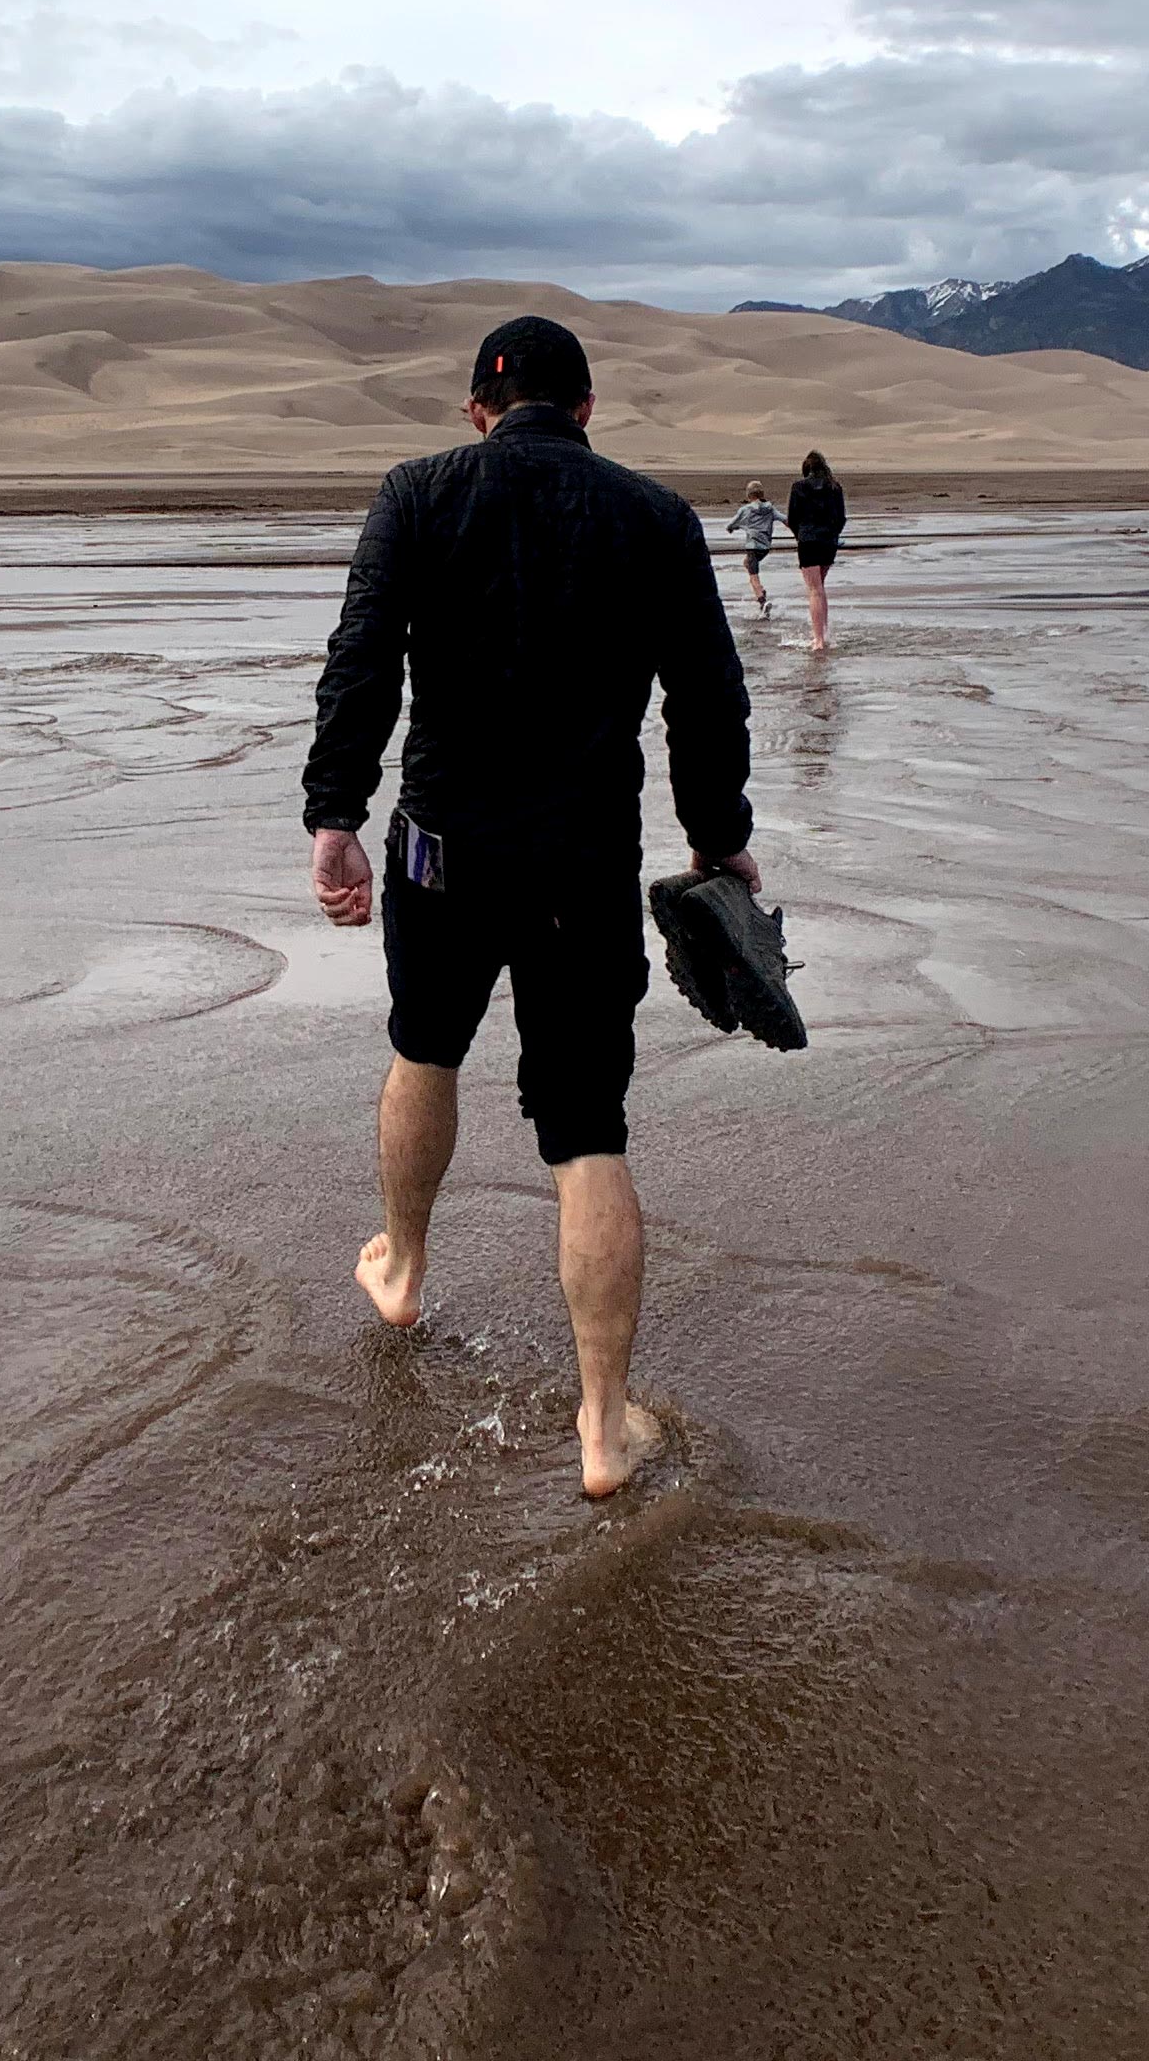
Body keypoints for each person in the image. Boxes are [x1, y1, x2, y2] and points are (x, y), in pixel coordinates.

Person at [304, 313, 756, 1501]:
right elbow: (707, 697)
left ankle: (404, 1266)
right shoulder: (655, 517)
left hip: (439, 853)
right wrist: (720, 838)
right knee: (587, 1128)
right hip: (581, 866)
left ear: (477, 411)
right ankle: (603, 1429)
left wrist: (334, 815)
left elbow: (362, 662)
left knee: (425, 1047)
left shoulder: (416, 493)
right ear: (589, 411)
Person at [784, 450, 846, 651]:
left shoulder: (798, 487)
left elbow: (792, 518)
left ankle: (818, 639)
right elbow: (841, 517)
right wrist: (833, 536)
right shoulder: (834, 487)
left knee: (814, 590)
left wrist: (800, 535)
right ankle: (824, 633)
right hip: (828, 541)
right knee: (820, 587)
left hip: (808, 540)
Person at [722, 478, 781, 614]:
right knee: (746, 563)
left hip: (753, 547)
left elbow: (731, 524)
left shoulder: (745, 510)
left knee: (753, 576)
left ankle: (762, 600)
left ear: (749, 495)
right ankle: (761, 591)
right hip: (765, 548)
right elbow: (785, 519)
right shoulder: (770, 509)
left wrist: (732, 528)